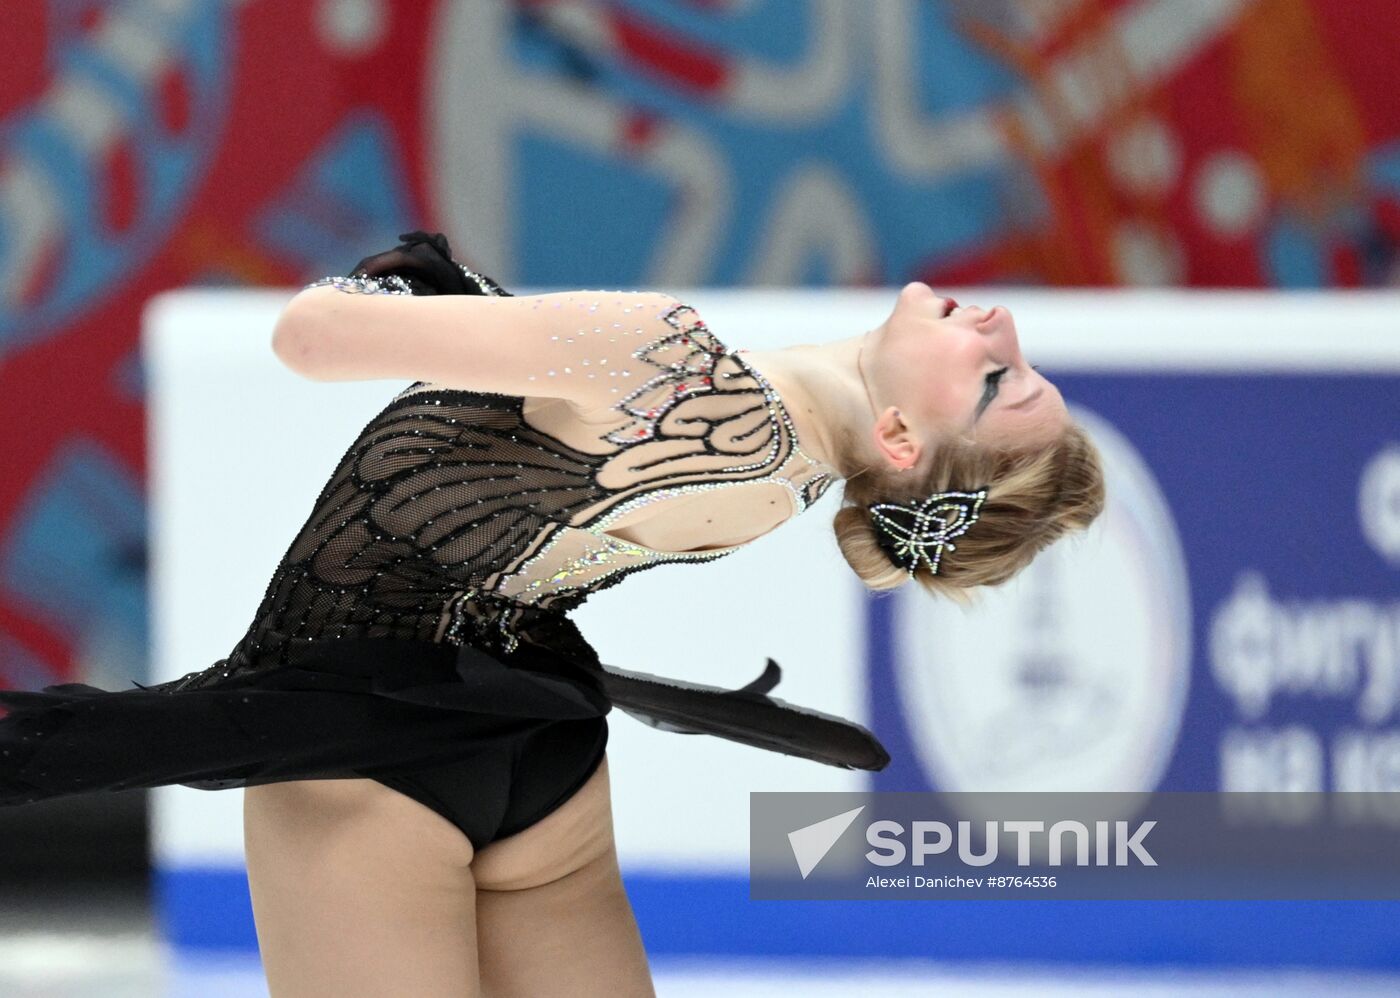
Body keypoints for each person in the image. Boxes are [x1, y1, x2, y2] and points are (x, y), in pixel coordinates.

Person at [0, 232, 1104, 996]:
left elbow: (307, 338)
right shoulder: (796, 477)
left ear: (904, 442)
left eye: (995, 377)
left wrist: (404, 279)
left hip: (365, 758)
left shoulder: (667, 362)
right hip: (542, 752)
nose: (999, 323)